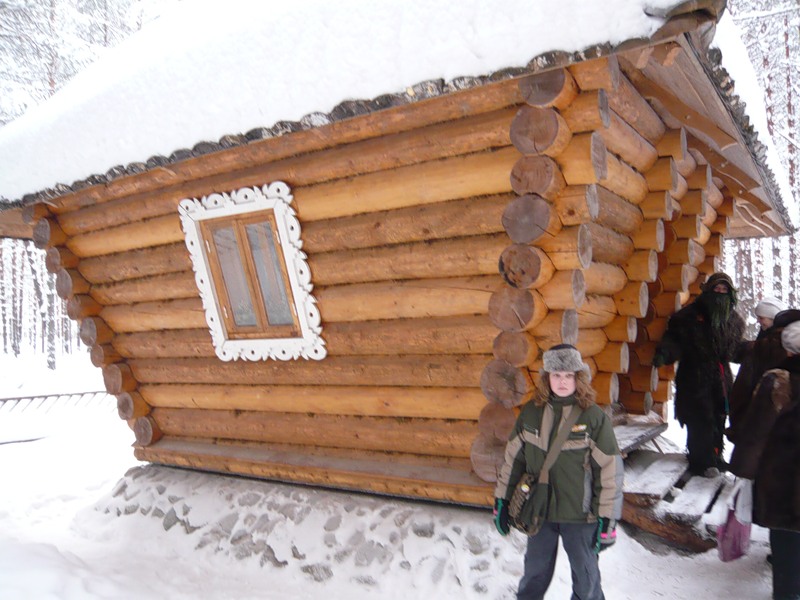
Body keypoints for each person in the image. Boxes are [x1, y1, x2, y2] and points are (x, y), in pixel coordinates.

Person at [492, 344, 623, 600]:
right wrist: (502, 501)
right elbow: (513, 461)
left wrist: (607, 518)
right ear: (547, 378)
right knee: (534, 575)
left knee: (586, 580)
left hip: (581, 516)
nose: (562, 381)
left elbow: (610, 472)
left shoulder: (593, 418)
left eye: (568, 375)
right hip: (539, 511)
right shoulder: (531, 414)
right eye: (556, 375)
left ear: (578, 377)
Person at [729, 320, 800, 600]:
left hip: (782, 479)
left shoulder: (778, 381)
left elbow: (756, 432)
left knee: (786, 542)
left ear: (789, 349)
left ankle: (787, 594)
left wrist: (743, 470)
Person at [652, 272, 745, 477]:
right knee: (699, 418)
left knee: (718, 417)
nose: (720, 293)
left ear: (730, 294)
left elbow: (736, 350)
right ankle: (700, 461)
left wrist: (758, 351)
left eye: (724, 290)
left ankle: (716, 456)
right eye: (716, 289)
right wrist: (665, 353)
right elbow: (674, 340)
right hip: (694, 377)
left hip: (721, 379)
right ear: (708, 290)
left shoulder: (735, 321)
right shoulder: (688, 317)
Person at [728, 306, 799, 444]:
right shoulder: (763, 348)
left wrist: (738, 425)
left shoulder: (760, 348)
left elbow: (742, 390)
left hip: (762, 428)